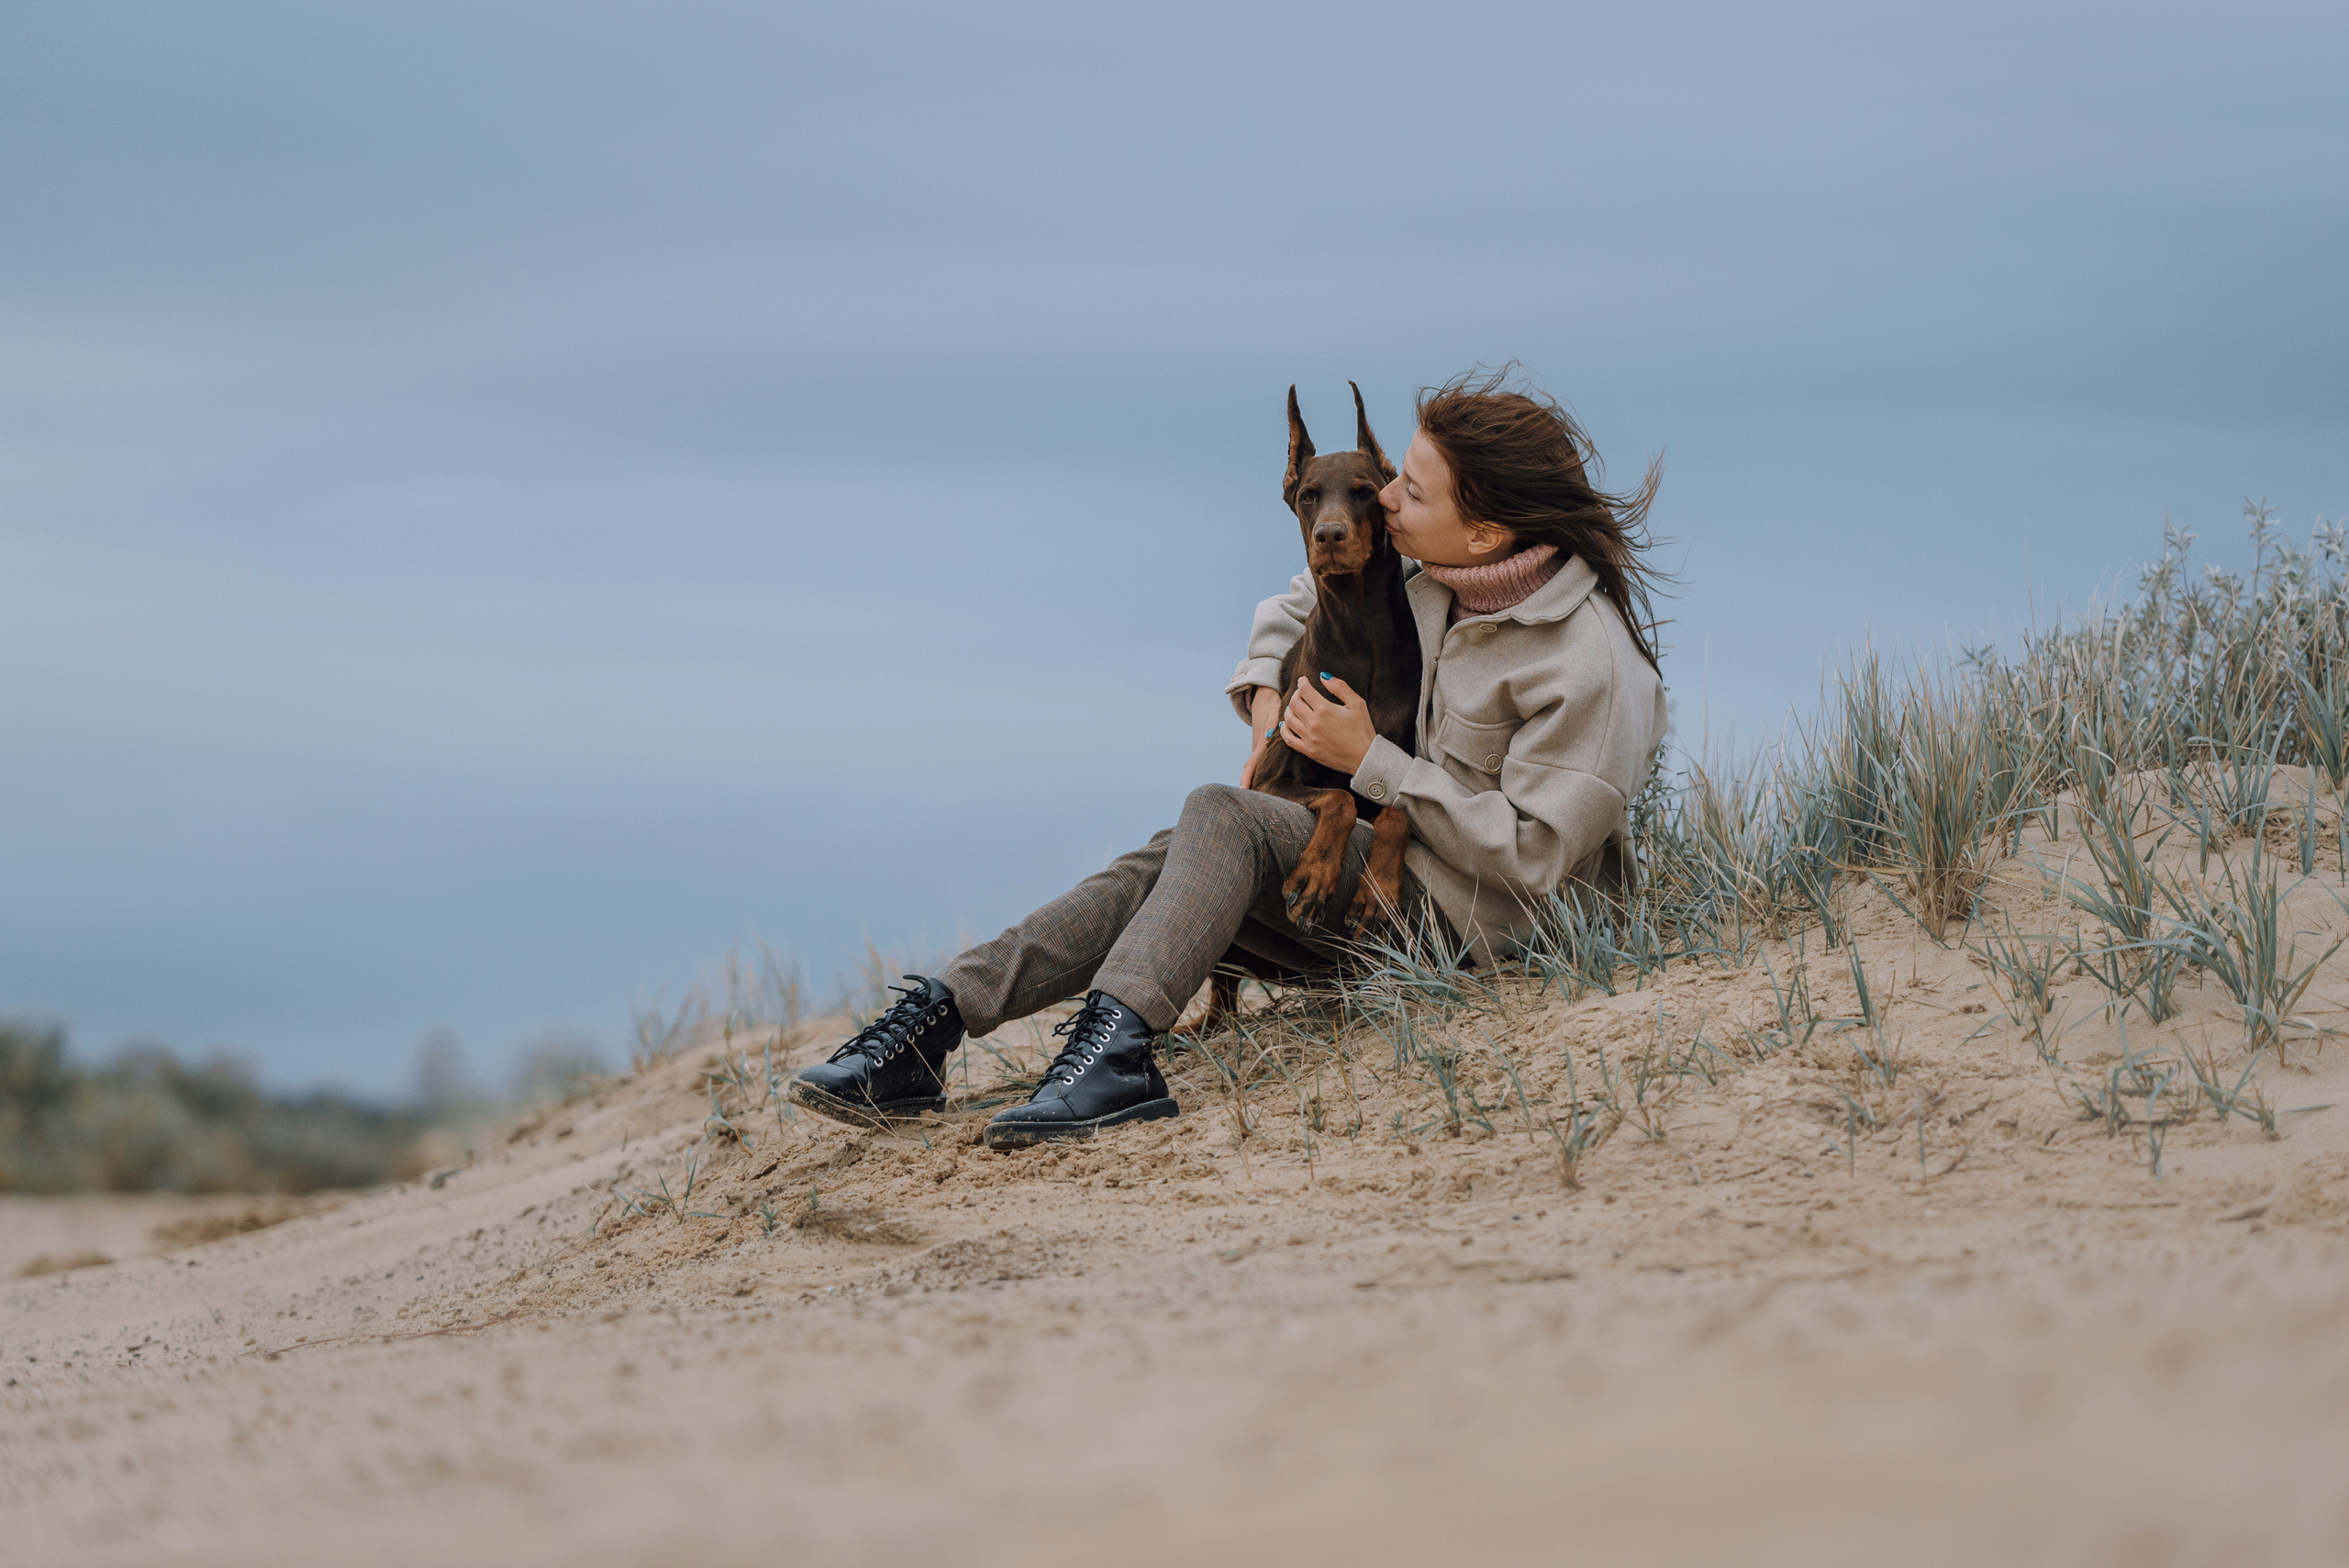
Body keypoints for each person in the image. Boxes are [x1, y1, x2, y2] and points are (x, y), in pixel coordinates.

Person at [789, 369, 1670, 1151]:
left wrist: (1374, 763)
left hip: (1472, 932)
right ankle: (928, 1032)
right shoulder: (1434, 565)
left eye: (1411, 489)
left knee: (1219, 816)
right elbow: (1289, 610)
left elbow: (1536, 857)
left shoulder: (1587, 664)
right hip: (1369, 887)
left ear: (1484, 534)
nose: (1384, 500)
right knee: (1176, 852)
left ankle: (1117, 1051)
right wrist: (1263, 706)